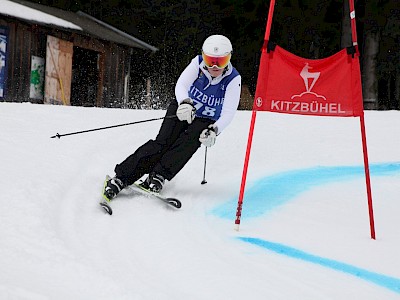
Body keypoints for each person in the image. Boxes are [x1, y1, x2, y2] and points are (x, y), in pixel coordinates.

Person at [103, 34, 242, 201]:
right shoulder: (197, 64)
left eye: (220, 61)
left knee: (188, 144)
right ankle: (121, 177)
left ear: (229, 59)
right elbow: (181, 84)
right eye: (209, 60)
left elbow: (228, 112)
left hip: (205, 119)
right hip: (185, 107)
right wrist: (184, 102)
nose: (214, 66)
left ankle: (158, 175)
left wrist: (215, 130)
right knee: (163, 142)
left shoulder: (233, 79)